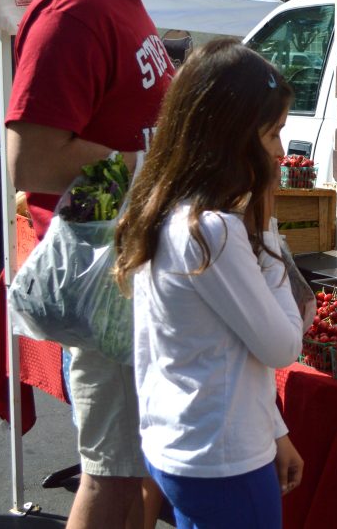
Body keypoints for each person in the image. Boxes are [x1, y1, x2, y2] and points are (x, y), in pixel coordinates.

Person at [4, 0, 216, 526]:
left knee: (136, 474)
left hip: (133, 278)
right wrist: (161, 158)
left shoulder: (122, 2)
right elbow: (31, 161)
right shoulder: (77, 8)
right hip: (107, 285)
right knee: (112, 479)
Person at [113, 39, 308, 529]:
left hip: (185, 442)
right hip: (223, 461)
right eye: (273, 134)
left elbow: (222, 351)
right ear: (233, 136)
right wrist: (266, 228)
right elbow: (283, 345)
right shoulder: (212, 231)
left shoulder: (165, 209)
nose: (280, 152)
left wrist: (274, 428)